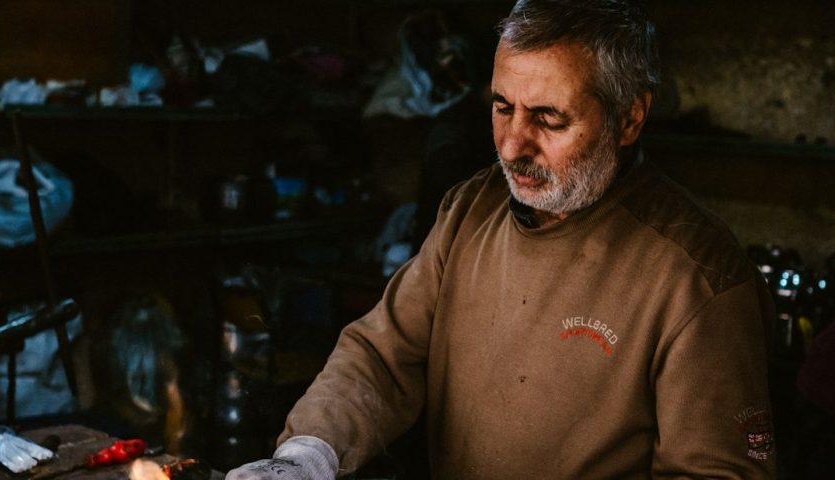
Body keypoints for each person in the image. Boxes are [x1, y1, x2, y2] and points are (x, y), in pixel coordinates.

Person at [227, 1, 776, 478]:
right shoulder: (471, 210)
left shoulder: (697, 276)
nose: (512, 146)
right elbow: (382, 356)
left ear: (629, 118)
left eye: (548, 118)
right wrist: (308, 455)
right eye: (502, 107)